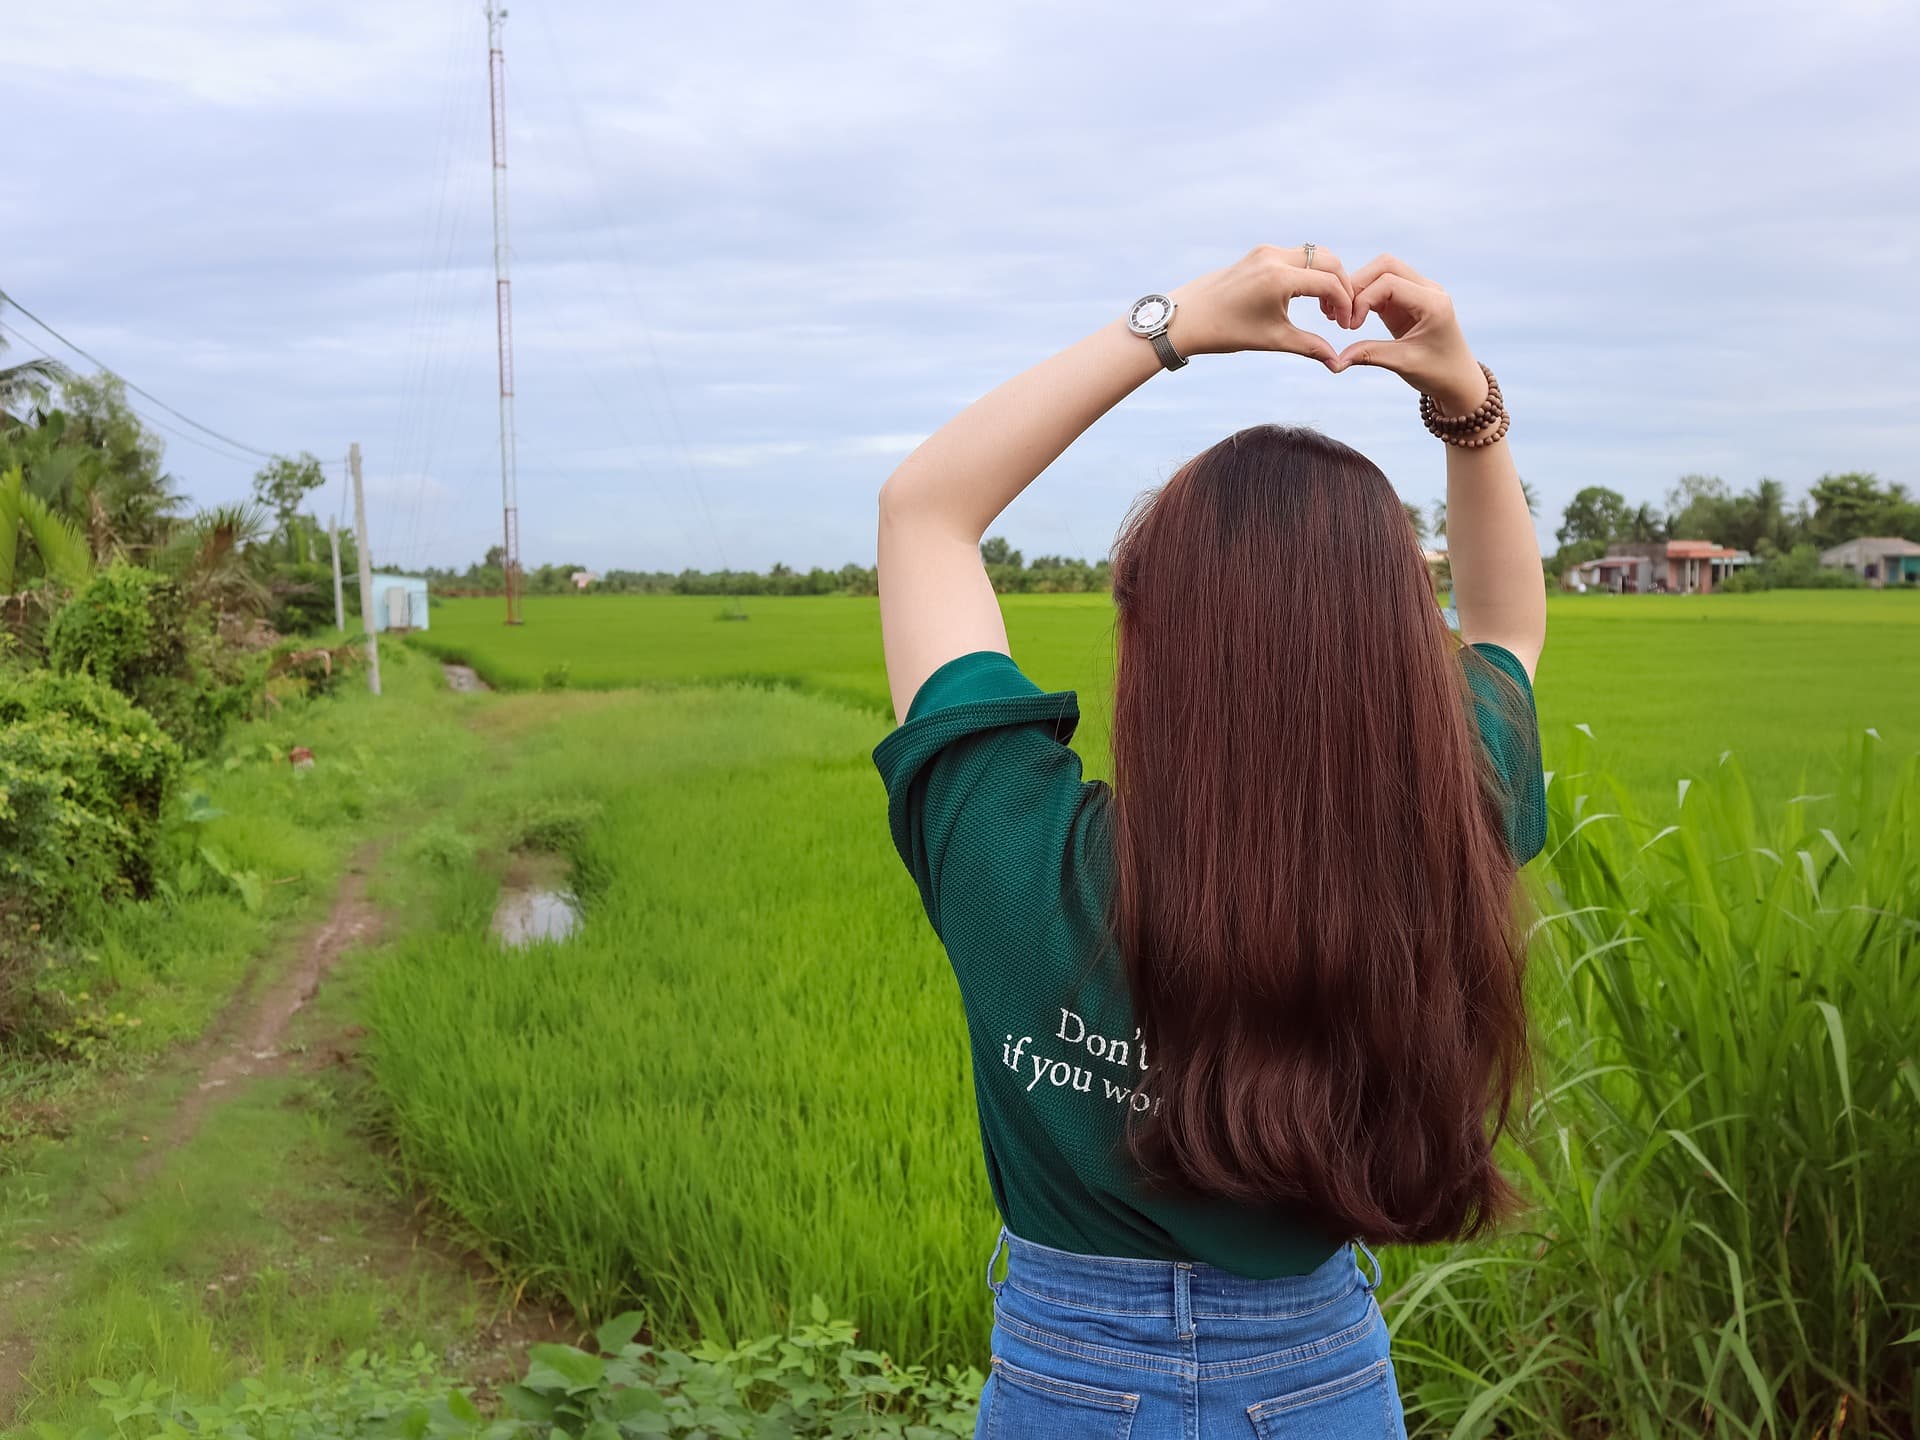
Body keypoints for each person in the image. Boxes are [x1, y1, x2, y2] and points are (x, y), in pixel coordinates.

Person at [872, 245, 1546, 1439]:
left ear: (1152, 647)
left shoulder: (1015, 845)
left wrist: (1171, 323)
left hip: (1065, 1391)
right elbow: (1504, 629)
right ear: (1398, 652)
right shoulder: (1448, 819)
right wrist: (1464, 401)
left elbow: (926, 511)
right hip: (1323, 1387)